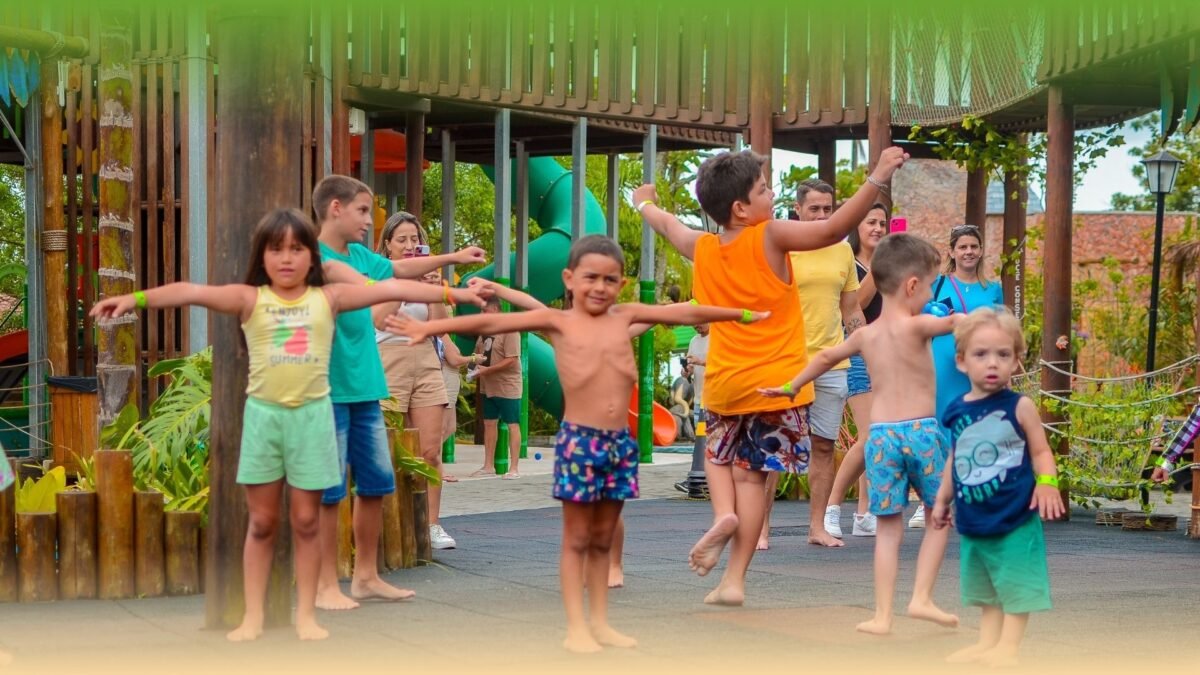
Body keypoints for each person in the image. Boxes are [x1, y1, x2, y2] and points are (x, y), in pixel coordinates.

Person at [88, 208, 484, 642]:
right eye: (276, 248)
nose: (287, 258)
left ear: (312, 258)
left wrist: (454, 293)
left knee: (307, 521)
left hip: (313, 422)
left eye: (298, 248)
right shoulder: (250, 299)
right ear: (263, 256)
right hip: (264, 423)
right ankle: (253, 617)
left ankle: (306, 615)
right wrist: (134, 299)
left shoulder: (327, 299)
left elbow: (388, 286)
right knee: (261, 523)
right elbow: (193, 291)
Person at [386, 235, 768, 652]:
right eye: (590, 278)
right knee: (577, 538)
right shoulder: (559, 322)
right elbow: (492, 323)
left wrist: (743, 314)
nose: (600, 287)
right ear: (569, 279)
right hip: (579, 444)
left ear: (621, 284)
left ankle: (601, 623)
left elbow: (684, 310)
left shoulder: (625, 317)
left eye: (610, 279)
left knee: (604, 537)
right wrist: (430, 326)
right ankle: (577, 627)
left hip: (618, 446)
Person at [634, 146, 907, 607]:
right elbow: (835, 229)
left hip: (726, 384)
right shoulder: (771, 236)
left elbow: (667, 224)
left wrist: (644, 202)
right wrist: (877, 176)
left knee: (719, 462)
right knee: (753, 479)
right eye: (763, 189)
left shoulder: (700, 246)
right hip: (779, 386)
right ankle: (735, 578)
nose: (771, 193)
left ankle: (723, 516)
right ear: (742, 208)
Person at [760, 232, 959, 635]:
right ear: (913, 286)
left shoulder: (866, 335)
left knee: (888, 528)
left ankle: (882, 615)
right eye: (931, 284)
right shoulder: (922, 324)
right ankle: (920, 596)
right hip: (921, 432)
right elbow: (958, 321)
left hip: (882, 437)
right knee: (940, 517)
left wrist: (792, 385)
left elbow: (827, 356)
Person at [311, 174, 486, 610]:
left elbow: (404, 270)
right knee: (330, 490)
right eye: (363, 211)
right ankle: (323, 583)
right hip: (327, 389)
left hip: (366, 386)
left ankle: (366, 577)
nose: (370, 221)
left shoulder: (361, 257)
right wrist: (453, 291)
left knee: (375, 484)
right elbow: (386, 289)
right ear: (335, 207)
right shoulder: (312, 259)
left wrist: (456, 259)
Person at [931, 307, 1065, 666]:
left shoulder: (1019, 406)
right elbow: (955, 457)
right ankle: (987, 643)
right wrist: (942, 500)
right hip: (975, 519)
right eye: (981, 354)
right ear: (961, 362)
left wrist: (1048, 483)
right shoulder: (958, 409)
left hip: (1016, 516)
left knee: (1016, 583)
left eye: (1003, 354)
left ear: (1017, 361)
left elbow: (1040, 450)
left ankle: (1009, 647)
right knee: (986, 589)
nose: (992, 363)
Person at [761, 179, 868, 550]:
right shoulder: (782, 245)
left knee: (823, 447)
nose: (822, 214)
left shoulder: (841, 251)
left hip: (832, 362)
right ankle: (761, 530)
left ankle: (817, 527)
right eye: (815, 208)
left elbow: (851, 309)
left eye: (828, 208)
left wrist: (870, 351)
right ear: (798, 210)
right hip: (787, 360)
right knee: (774, 447)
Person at [371, 212, 456, 550]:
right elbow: (380, 319)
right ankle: (386, 523)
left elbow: (441, 329)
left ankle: (431, 524)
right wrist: (406, 285)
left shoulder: (429, 278)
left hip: (425, 359)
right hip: (388, 358)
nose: (409, 246)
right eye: (402, 240)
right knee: (388, 448)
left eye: (414, 239)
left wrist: (433, 292)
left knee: (429, 450)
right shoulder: (377, 276)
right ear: (387, 245)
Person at [921, 223, 1005, 529]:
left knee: (975, 429)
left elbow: (1002, 329)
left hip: (978, 366)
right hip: (943, 363)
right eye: (963, 247)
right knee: (940, 430)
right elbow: (921, 321)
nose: (968, 252)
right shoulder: (939, 285)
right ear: (952, 252)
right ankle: (930, 501)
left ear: (981, 250)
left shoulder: (993, 289)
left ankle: (970, 500)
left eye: (973, 246)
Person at [824, 204, 890, 538]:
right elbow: (854, 306)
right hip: (857, 354)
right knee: (870, 435)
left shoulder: (886, 266)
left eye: (883, 223)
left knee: (877, 435)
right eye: (871, 223)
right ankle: (832, 506)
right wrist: (880, 269)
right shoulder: (849, 263)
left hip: (886, 355)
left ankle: (864, 513)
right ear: (857, 227)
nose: (878, 228)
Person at [472, 297, 524, 478]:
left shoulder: (510, 329)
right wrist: (472, 367)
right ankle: (488, 466)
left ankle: (514, 468)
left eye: (484, 310)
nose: (481, 314)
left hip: (507, 385)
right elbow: (478, 353)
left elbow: (512, 359)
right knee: (489, 423)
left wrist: (488, 369)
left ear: (495, 310)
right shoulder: (483, 331)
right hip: (488, 386)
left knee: (512, 424)